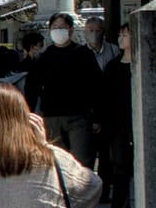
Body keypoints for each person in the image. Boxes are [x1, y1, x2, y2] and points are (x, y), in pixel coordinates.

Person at [24, 12, 101, 169]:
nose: (59, 30)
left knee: (82, 160)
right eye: (55, 27)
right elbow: (31, 88)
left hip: (79, 115)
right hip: (51, 117)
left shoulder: (83, 54)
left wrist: (97, 116)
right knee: (56, 163)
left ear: (71, 30)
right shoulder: (43, 57)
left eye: (63, 27)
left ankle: (82, 193)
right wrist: (29, 114)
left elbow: (97, 86)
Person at [94, 24, 135, 208]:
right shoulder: (112, 66)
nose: (121, 38)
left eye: (125, 34)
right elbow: (104, 97)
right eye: (120, 34)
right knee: (119, 167)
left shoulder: (142, 65)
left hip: (137, 122)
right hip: (117, 124)